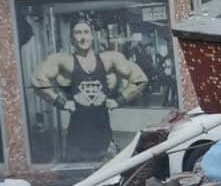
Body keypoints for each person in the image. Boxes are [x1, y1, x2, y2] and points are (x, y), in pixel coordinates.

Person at [31, 18, 148, 163]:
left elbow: (140, 78)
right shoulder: (63, 61)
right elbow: (37, 80)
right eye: (78, 33)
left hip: (103, 132)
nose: (83, 37)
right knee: (79, 175)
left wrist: (119, 100)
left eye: (86, 32)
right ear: (72, 38)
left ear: (92, 36)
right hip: (77, 136)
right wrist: (61, 102)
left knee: (108, 175)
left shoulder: (108, 59)